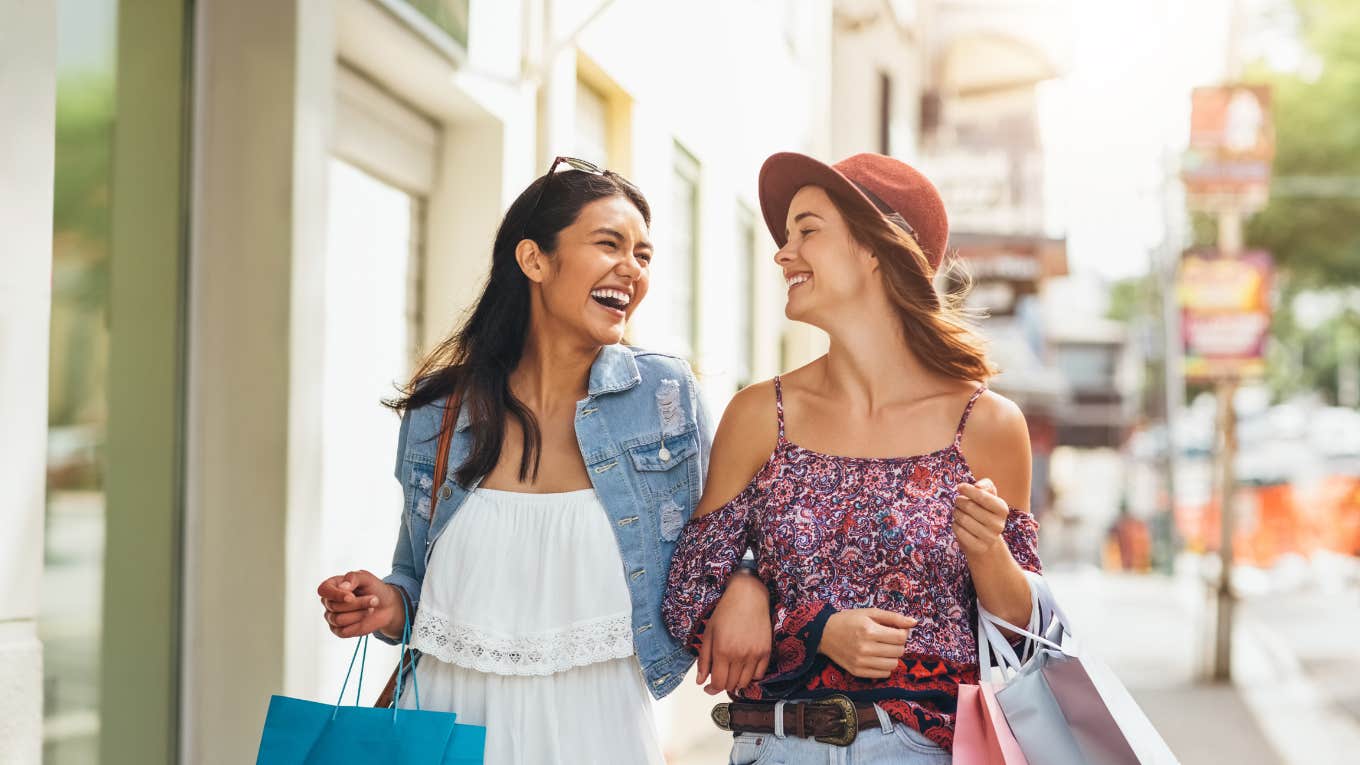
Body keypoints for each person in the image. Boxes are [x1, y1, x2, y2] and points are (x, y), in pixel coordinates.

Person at [316, 157, 772, 764]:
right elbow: (416, 583)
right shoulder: (441, 412)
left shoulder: (664, 398)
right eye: (609, 243)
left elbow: (724, 537)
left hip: (599, 727)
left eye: (643, 255)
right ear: (533, 260)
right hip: (449, 725)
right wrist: (382, 603)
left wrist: (746, 581)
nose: (631, 268)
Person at [663, 152, 1043, 763]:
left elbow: (1024, 641)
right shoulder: (761, 415)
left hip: (928, 750)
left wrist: (989, 552)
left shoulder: (988, 426)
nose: (783, 253)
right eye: (786, 237)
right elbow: (684, 601)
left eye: (807, 230)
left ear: (877, 249)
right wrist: (765, 597)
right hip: (776, 746)